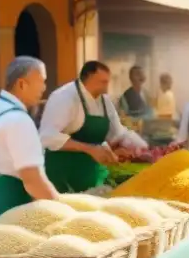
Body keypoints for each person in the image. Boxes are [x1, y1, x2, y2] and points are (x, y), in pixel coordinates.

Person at [39, 61, 147, 192]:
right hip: (63, 176)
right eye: (102, 82)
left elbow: (118, 133)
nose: (106, 87)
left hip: (93, 176)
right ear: (89, 77)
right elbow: (47, 137)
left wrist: (141, 148)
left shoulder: (105, 101)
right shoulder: (64, 97)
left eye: (107, 82)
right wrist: (90, 149)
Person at [0, 57, 59, 221]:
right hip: (3, 219)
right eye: (41, 81)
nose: (44, 88)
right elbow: (33, 181)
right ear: (22, 84)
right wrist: (62, 211)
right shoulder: (19, 120)